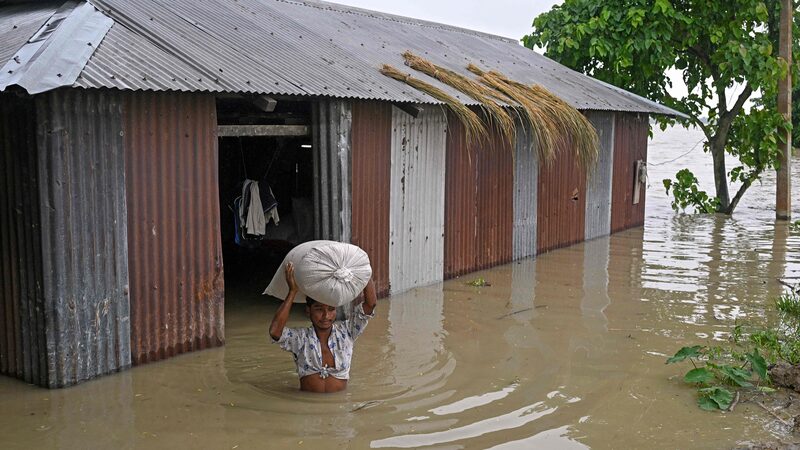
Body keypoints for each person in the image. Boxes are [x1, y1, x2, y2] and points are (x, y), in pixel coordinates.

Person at [269, 262, 377, 393]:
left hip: (339, 407)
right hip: (308, 406)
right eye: (319, 309)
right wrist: (292, 291)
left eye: (331, 309)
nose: (326, 315)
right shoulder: (301, 338)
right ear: (308, 311)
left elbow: (370, 305)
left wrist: (364, 271)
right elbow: (275, 332)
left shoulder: (347, 332)